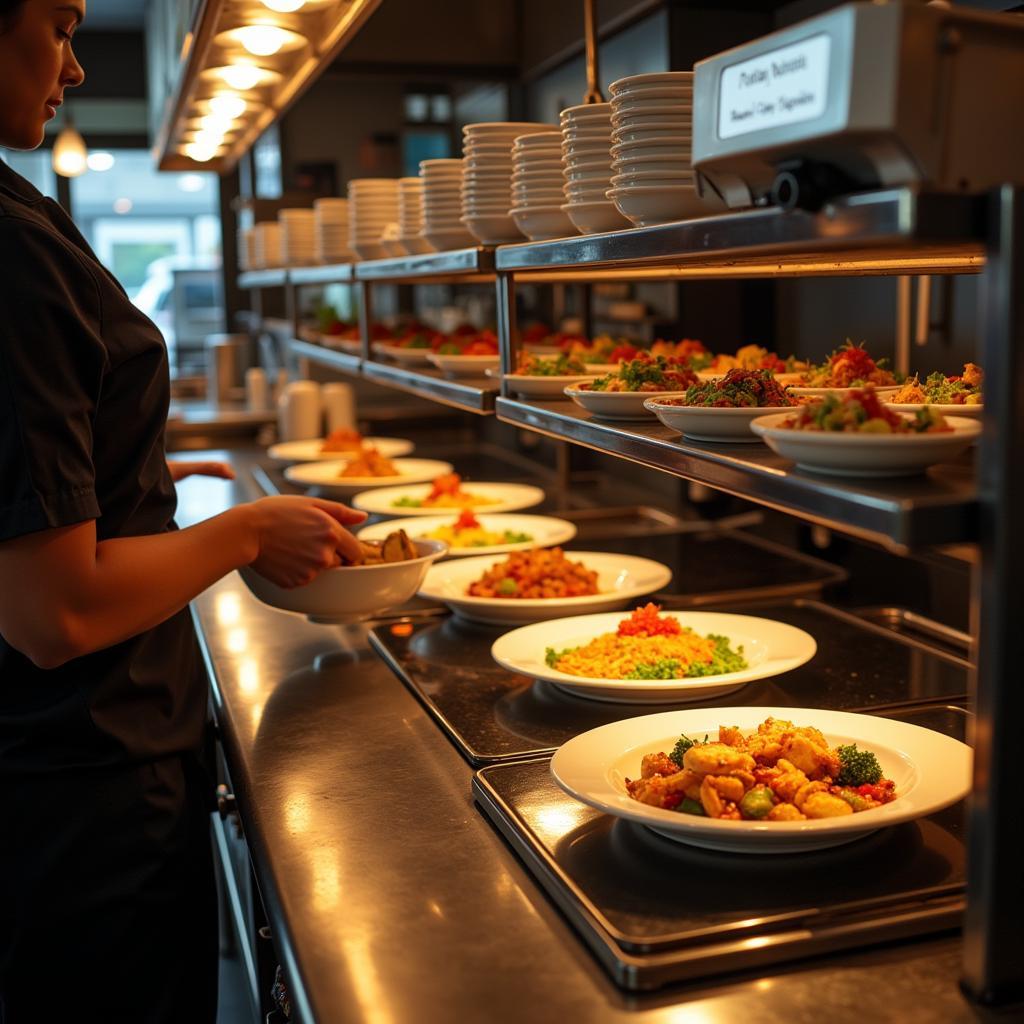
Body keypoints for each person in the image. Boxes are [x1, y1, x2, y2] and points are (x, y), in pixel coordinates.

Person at [0, 2, 367, 1020]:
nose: (72, 66)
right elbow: (50, 612)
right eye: (62, 26)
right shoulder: (11, 253)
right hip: (83, 789)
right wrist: (245, 529)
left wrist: (133, 472)